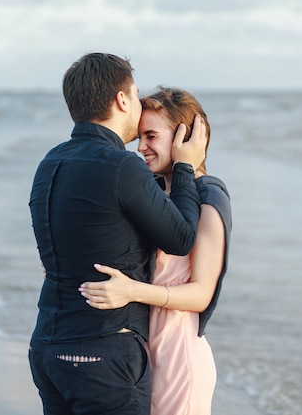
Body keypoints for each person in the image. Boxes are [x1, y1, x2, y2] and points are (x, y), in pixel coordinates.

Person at [27, 54, 208, 415]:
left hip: (47, 348)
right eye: (137, 95)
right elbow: (182, 238)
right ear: (122, 100)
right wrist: (185, 167)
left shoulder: (49, 162)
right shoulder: (121, 166)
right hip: (103, 353)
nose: (139, 106)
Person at [79, 86, 232, 415]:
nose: (141, 148)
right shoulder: (153, 192)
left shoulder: (209, 197)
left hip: (179, 357)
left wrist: (131, 291)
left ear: (184, 137)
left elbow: (201, 295)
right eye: (138, 138)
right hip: (138, 354)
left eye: (151, 136)